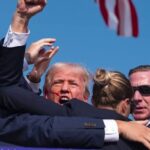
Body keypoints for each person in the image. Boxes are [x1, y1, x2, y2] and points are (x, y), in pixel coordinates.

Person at [1, 0, 150, 148]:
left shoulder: (128, 135)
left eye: (73, 83)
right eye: (57, 82)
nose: (64, 88)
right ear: (45, 93)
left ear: (86, 98)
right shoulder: (29, 125)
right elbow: (10, 95)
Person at [91, 68, 146, 149]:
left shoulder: (74, 131)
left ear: (93, 101)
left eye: (145, 90)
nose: (137, 98)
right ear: (126, 104)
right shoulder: (139, 143)